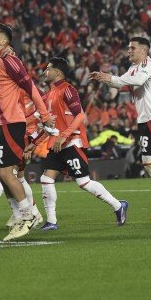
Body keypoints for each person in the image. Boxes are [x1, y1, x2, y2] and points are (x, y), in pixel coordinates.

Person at [26, 57, 129, 228]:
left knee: (83, 182)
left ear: (58, 72)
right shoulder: (49, 94)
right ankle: (51, 221)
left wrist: (64, 136)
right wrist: (35, 143)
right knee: (46, 178)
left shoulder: (68, 90)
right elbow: (50, 126)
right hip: (57, 143)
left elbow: (80, 115)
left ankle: (119, 206)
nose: (45, 72)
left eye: (48, 69)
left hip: (72, 142)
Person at [0, 23, 54, 241]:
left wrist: (45, 116)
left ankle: (28, 216)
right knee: (1, 173)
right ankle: (22, 214)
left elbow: (30, 87)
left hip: (11, 122)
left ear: (4, 41)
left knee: (8, 174)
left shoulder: (9, 60)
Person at [91, 37, 151, 221]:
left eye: (132, 47)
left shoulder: (146, 64)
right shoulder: (133, 68)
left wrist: (111, 78)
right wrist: (105, 79)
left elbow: (136, 81)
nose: (129, 50)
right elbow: (120, 82)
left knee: (148, 162)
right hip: (146, 120)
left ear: (144, 51)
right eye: (128, 47)